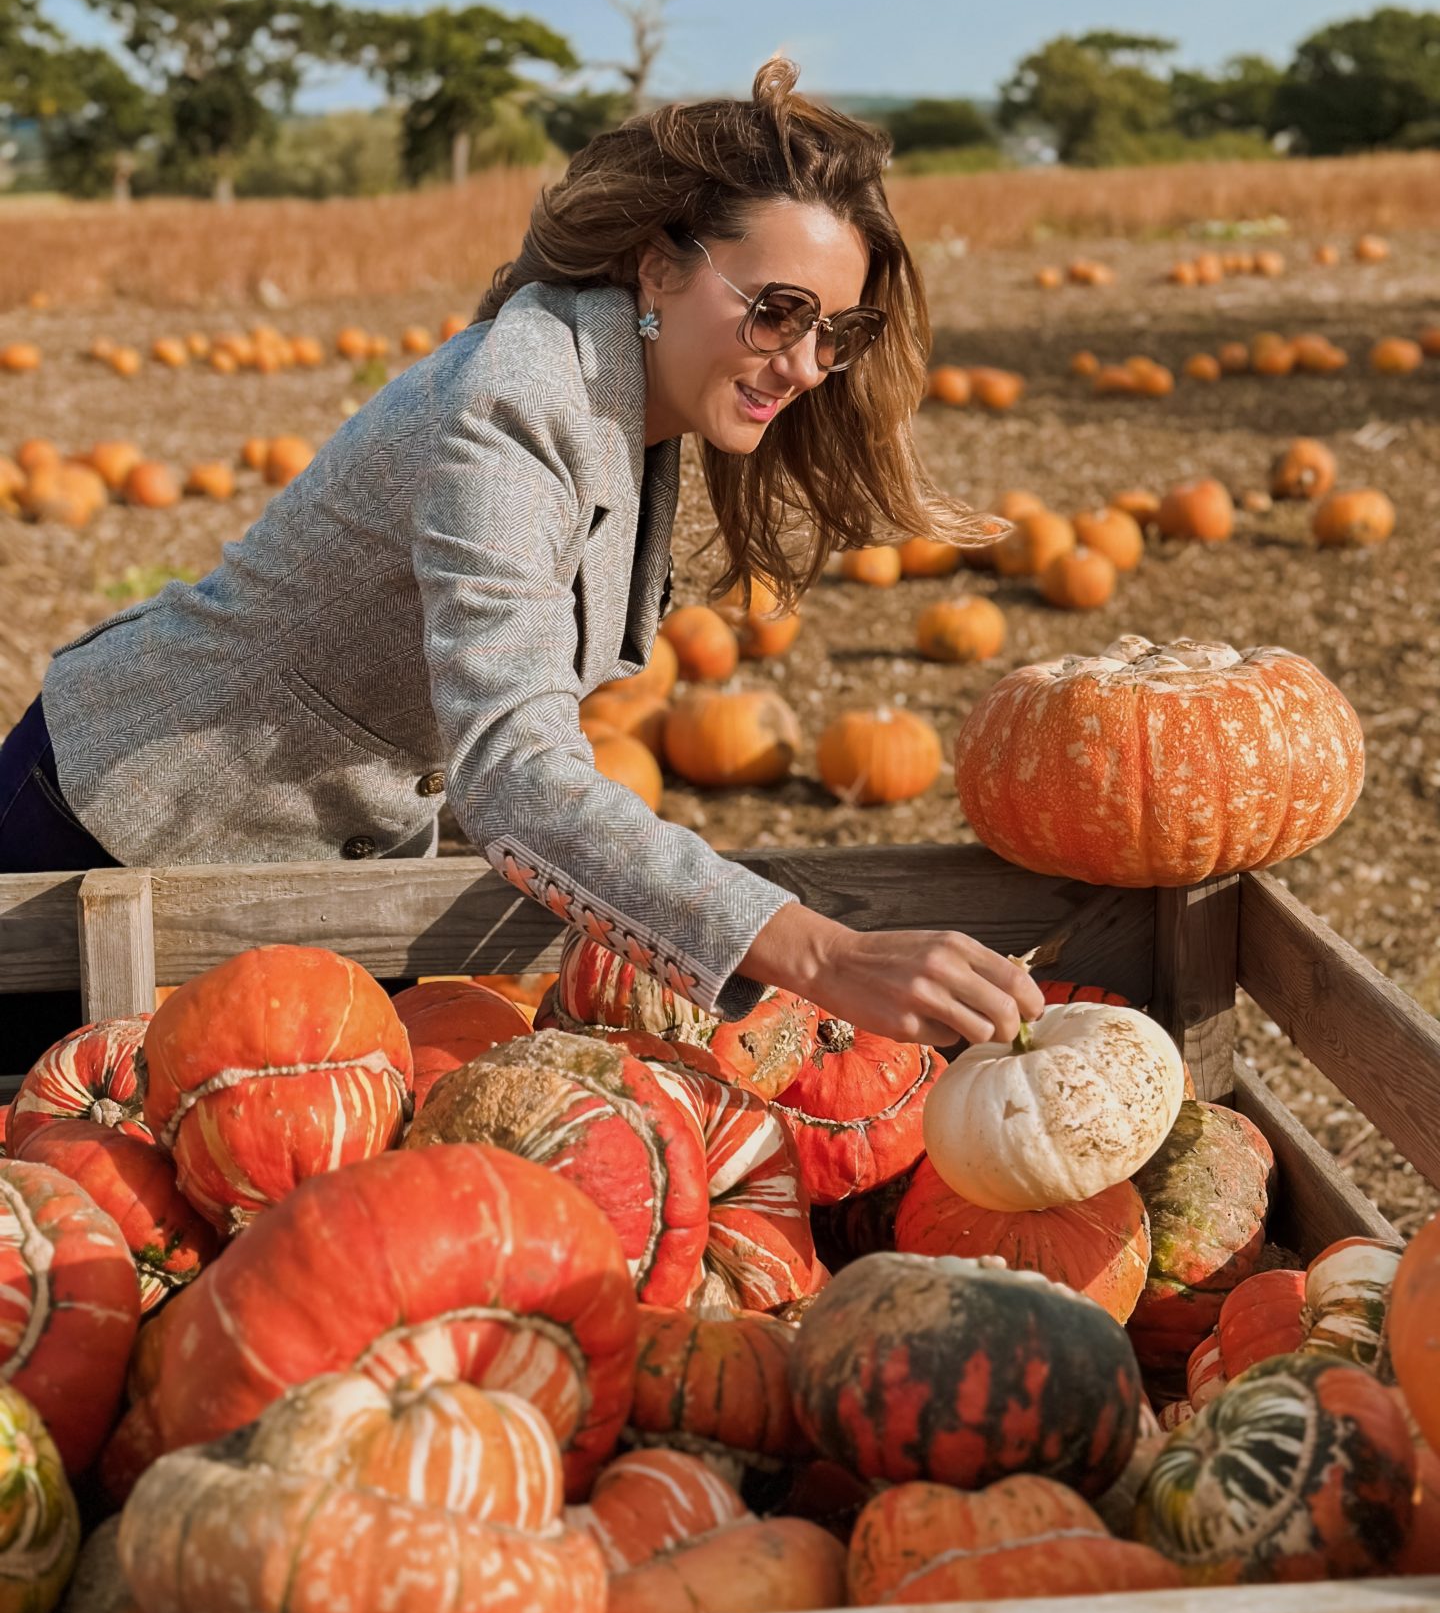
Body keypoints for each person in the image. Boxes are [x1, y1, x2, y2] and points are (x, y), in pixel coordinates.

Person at [0, 57, 1043, 1060]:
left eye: (838, 331)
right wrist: (825, 950)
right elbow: (514, 772)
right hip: (115, 829)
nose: (808, 363)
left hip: (310, 877)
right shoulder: (508, 408)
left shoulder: (631, 407)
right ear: (657, 265)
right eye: (779, 310)